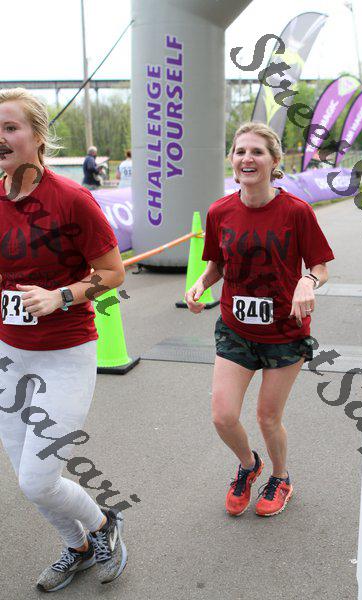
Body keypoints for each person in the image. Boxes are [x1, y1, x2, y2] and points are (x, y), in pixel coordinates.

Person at [0, 88, 128, 591]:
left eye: (10, 127)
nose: (0, 137)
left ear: (37, 136)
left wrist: (61, 296)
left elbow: (113, 273)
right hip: (8, 355)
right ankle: (77, 547)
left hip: (65, 354)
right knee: (27, 479)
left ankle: (103, 524)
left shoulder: (72, 200)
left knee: (38, 478)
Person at [185, 122, 334, 518]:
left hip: (285, 332)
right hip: (236, 329)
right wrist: (200, 284)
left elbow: (320, 267)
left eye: (257, 152)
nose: (247, 158)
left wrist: (307, 281)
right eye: (240, 151)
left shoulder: (296, 211)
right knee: (223, 416)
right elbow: (217, 265)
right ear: (232, 160)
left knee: (268, 418)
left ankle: (281, 478)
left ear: (274, 161)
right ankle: (249, 466)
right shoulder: (220, 211)